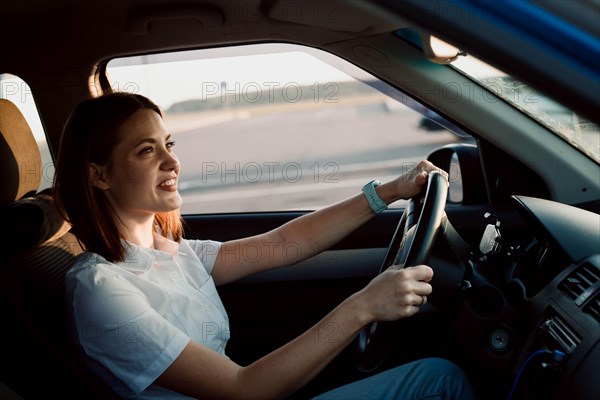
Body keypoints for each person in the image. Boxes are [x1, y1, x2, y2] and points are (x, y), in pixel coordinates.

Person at [54, 92, 476, 399]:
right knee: (441, 380)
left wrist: (387, 191)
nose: (171, 162)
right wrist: (362, 307)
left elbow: (285, 242)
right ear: (99, 176)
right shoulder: (101, 288)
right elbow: (243, 389)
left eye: (169, 144)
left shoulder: (174, 253)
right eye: (147, 151)